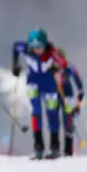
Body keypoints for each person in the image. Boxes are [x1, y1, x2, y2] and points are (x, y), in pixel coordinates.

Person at [12, 27, 68, 160]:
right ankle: (38, 145)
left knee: (52, 113)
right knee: (36, 112)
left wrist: (57, 67)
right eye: (34, 47)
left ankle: (54, 145)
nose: (37, 50)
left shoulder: (52, 52)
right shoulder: (25, 48)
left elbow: (63, 62)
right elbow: (15, 47)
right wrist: (15, 64)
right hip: (33, 83)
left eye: (40, 47)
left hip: (49, 84)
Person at [58, 57, 84, 156]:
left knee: (68, 121)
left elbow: (77, 80)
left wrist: (80, 92)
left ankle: (68, 150)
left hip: (67, 95)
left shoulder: (69, 67)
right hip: (54, 94)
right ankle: (54, 147)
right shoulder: (49, 65)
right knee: (54, 120)